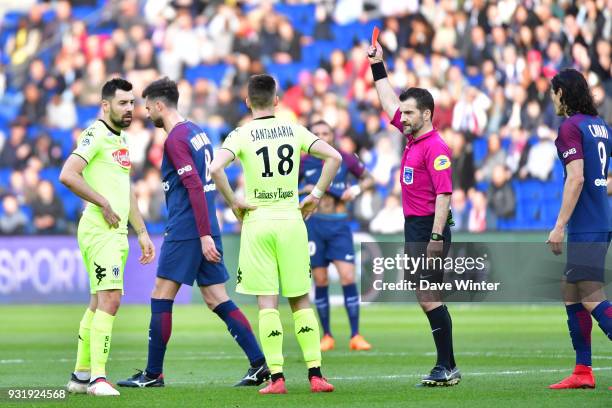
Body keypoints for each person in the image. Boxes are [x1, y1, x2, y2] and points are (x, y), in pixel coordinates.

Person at [117, 77, 268, 389]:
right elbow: (214, 174)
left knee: (161, 294)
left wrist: (202, 235)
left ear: (160, 105)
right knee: (215, 298)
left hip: (188, 228)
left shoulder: (175, 139)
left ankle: (152, 373)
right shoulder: (197, 132)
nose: (146, 113)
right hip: (205, 224)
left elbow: (195, 186)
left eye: (148, 107)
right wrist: (229, 204)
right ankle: (260, 364)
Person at [210, 74, 342, 394]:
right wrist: (316, 195)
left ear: (247, 102)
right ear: (277, 101)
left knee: (267, 304)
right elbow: (334, 157)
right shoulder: (294, 129)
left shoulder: (241, 134)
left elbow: (214, 169)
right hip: (291, 218)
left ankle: (277, 379)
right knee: (300, 299)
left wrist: (234, 203)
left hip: (258, 221)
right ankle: (316, 375)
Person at [367, 41, 460, 386]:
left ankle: (446, 365)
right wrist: (378, 68)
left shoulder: (435, 147)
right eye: (402, 113)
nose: (401, 117)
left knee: (427, 295)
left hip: (427, 228)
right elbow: (388, 101)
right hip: (417, 226)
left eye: (408, 113)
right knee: (426, 294)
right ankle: (446, 365)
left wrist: (436, 236)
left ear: (426, 114)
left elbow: (444, 193)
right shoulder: (414, 139)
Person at [61, 78, 156, 397]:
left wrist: (141, 231)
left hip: (116, 231)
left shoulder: (121, 140)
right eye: (123, 103)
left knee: (98, 301)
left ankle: (80, 375)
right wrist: (101, 202)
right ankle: (98, 379)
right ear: (105, 105)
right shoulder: (96, 134)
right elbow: (68, 174)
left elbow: (124, 189)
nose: (130, 109)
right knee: (111, 299)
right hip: (99, 229)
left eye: (132, 103)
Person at [546, 68, 612, 391]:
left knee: (589, 296)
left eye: (553, 91)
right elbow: (603, 179)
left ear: (562, 93)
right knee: (570, 291)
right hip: (600, 219)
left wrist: (559, 225)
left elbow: (577, 177)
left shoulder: (570, 128)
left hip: (585, 225)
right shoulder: (601, 127)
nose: (551, 97)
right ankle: (583, 370)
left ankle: (584, 369)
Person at [299, 119, 374, 352]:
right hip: (315, 225)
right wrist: (303, 190)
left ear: (333, 135)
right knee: (320, 280)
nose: (322, 136)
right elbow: (290, 186)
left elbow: (369, 178)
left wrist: (357, 189)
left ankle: (355, 335)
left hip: (339, 226)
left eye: (326, 132)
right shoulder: (303, 162)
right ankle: (327, 335)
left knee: (348, 277)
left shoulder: (345, 157)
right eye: (317, 133)